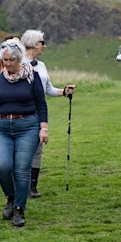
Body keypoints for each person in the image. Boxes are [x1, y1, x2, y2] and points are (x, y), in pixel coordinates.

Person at [0, 39, 48, 227]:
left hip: (28, 126)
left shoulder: (32, 77)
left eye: (11, 60)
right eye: (5, 60)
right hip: (2, 127)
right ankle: (11, 197)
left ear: (19, 60)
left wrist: (44, 128)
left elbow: (42, 105)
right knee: (2, 165)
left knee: (21, 168)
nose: (8, 64)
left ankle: (19, 208)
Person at [20, 29, 75, 198]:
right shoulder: (16, 61)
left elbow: (48, 89)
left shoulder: (41, 66)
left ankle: (32, 187)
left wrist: (64, 91)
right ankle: (19, 184)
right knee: (21, 149)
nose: (44, 46)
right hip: (21, 112)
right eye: (42, 43)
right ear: (32, 44)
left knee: (37, 148)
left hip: (38, 112)